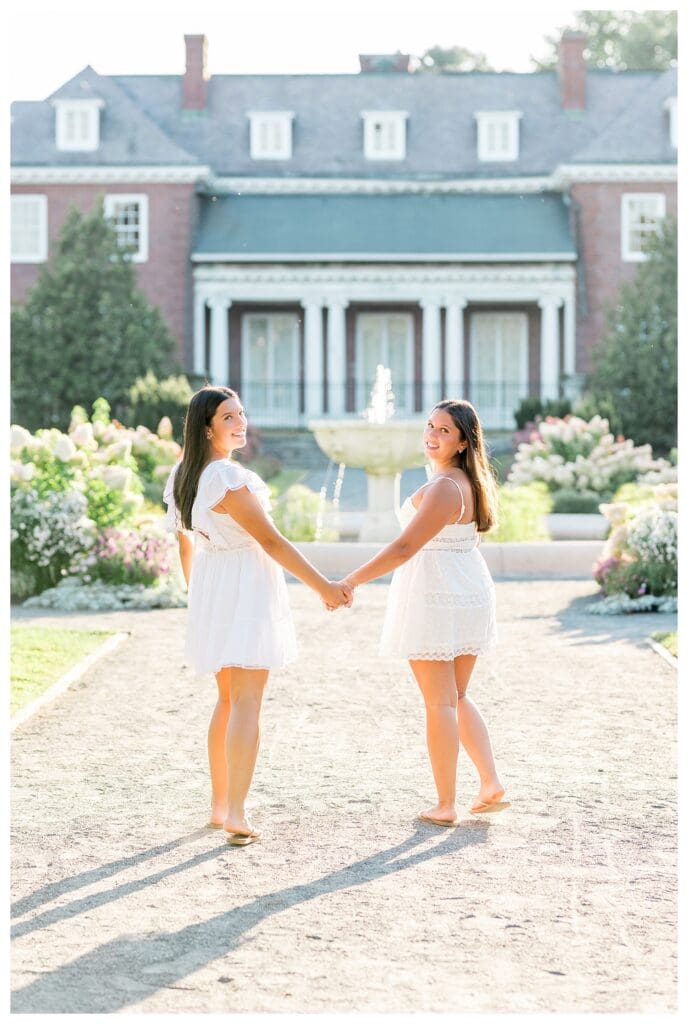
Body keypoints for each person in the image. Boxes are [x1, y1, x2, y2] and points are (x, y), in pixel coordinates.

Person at [164, 385, 352, 846]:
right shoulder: (226, 477)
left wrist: (198, 598)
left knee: (228, 700)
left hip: (215, 585)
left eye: (242, 414)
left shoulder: (183, 474)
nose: (241, 422)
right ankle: (236, 811)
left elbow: (184, 541)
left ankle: (220, 804)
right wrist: (323, 586)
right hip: (245, 588)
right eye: (229, 417)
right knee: (246, 702)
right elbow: (270, 541)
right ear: (207, 427)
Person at [339, 399, 508, 826]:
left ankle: (446, 804)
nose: (432, 435)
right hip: (466, 590)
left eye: (444, 431)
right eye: (430, 426)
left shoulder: (445, 487)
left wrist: (350, 581)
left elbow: (403, 547)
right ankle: (490, 783)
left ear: (464, 442)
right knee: (456, 696)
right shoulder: (469, 484)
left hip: (438, 596)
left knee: (440, 703)